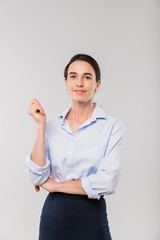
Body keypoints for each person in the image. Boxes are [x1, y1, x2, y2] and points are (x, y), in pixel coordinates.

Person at [25, 53, 125, 240]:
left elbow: (108, 182)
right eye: (73, 76)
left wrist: (54, 185)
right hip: (53, 218)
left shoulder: (112, 127)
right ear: (66, 82)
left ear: (97, 84)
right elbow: (35, 175)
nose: (79, 83)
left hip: (92, 218)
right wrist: (41, 126)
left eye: (87, 77)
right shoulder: (52, 125)